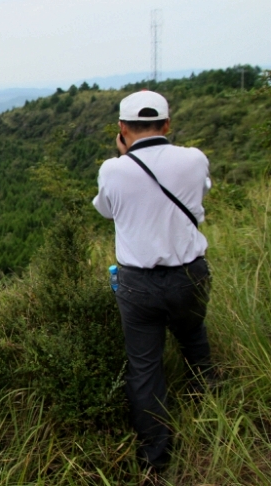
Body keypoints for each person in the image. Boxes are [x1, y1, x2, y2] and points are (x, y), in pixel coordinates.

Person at [92, 90, 215, 471]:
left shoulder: (113, 169)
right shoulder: (194, 159)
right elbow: (201, 194)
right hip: (189, 275)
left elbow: (107, 210)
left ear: (122, 128)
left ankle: (156, 459)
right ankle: (214, 417)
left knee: (145, 368)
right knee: (194, 339)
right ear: (167, 124)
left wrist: (124, 156)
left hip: (138, 285)